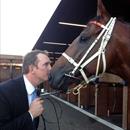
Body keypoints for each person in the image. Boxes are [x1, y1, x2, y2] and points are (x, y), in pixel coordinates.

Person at [0, 50, 52, 130]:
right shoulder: (3, 91)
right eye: (46, 64)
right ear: (32, 68)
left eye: (50, 64)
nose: (50, 68)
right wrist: (30, 114)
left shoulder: (36, 91)